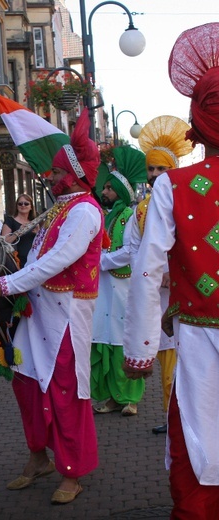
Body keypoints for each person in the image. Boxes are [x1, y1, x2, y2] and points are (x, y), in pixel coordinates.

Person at [0, 108, 105, 504]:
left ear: (70, 174)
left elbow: (57, 261)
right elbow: (35, 256)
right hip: (36, 315)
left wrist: (6, 284)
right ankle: (39, 457)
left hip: (66, 315)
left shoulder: (84, 210)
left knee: (66, 393)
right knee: (28, 387)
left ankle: (73, 472)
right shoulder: (58, 210)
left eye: (54, 173)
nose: (48, 178)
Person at [123, 23, 219, 519]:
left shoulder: (173, 187)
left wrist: (139, 349)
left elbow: (147, 270)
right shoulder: (172, 187)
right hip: (196, 336)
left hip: (200, 342)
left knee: (201, 444)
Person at [134, 115, 193, 434]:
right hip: (155, 295)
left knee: (191, 362)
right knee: (165, 365)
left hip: (186, 294)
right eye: (152, 169)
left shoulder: (186, 199)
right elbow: (135, 248)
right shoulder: (141, 208)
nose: (155, 174)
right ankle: (173, 420)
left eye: (162, 169)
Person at [91, 146, 147, 417]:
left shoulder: (129, 216)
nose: (104, 192)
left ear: (121, 193)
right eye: (105, 189)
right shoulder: (106, 216)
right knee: (106, 339)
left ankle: (130, 398)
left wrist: (99, 260)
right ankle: (113, 397)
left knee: (123, 341)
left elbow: (128, 251)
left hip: (123, 287)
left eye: (109, 189)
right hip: (104, 289)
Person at [1, 193, 38, 268]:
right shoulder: (10, 221)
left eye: (26, 203)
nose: (23, 206)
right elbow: (4, 242)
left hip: (33, 260)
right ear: (17, 206)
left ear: (31, 207)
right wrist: (18, 232)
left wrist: (38, 234)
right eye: (20, 204)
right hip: (16, 261)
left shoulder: (35, 222)